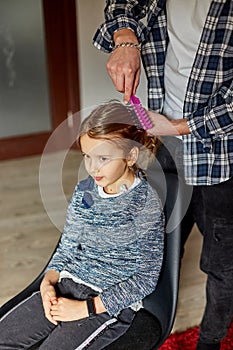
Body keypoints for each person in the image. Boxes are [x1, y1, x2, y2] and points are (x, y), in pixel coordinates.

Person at [93, 1, 233, 349]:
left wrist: (177, 126)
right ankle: (144, 327)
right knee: (153, 249)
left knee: (223, 265)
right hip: (163, 146)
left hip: (222, 156)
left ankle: (210, 342)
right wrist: (125, 39)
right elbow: (122, 3)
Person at [0, 101, 164, 350]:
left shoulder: (145, 204)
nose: (92, 167)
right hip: (65, 285)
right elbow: (68, 245)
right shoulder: (85, 190)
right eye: (87, 156)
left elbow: (145, 279)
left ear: (131, 155)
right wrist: (48, 282)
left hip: (106, 304)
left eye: (103, 158)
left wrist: (86, 308)